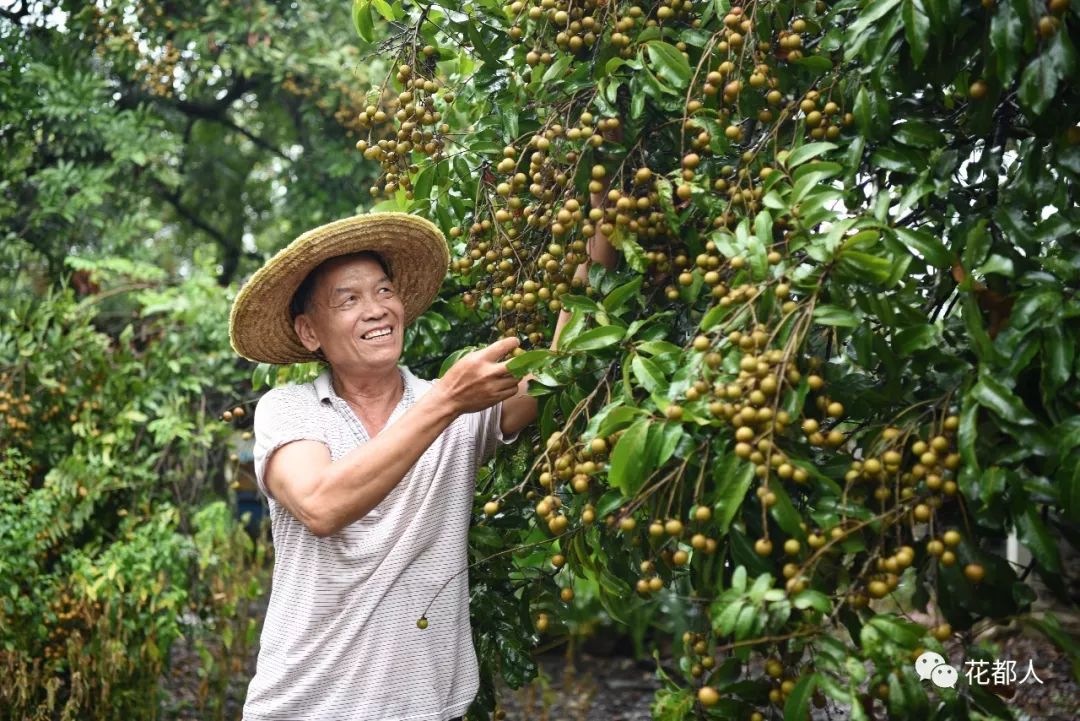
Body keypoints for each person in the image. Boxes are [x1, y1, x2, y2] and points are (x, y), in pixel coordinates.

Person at [228, 211, 613, 721]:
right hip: (308, 705)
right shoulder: (289, 409)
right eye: (348, 299)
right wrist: (448, 401)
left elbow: (562, 367)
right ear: (309, 332)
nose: (376, 310)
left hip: (427, 706)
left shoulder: (452, 404)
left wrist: (603, 216)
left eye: (385, 292)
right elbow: (322, 504)